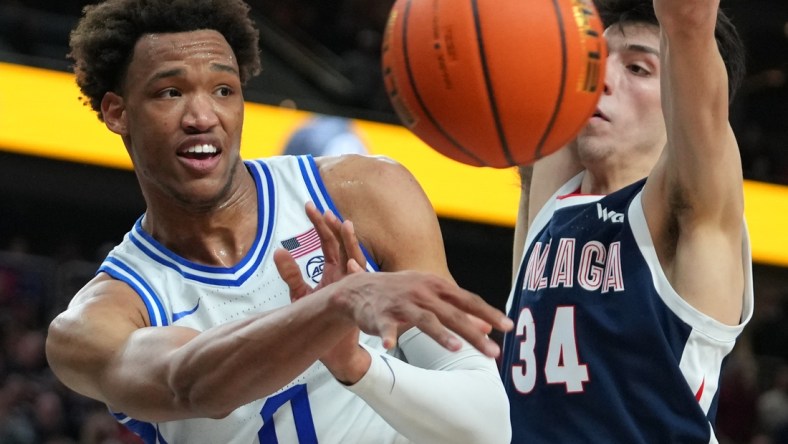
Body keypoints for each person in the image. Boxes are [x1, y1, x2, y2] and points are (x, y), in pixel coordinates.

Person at [44, 0, 513, 443]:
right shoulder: (99, 320)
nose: (203, 116)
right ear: (117, 112)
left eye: (223, 90)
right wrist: (329, 311)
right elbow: (187, 385)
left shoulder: (364, 194)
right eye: (171, 92)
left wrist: (355, 362)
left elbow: (487, 424)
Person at [499, 0, 753, 442]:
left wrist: (687, 33)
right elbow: (561, 25)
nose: (603, 80)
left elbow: (689, 22)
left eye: (637, 69)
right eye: (597, 60)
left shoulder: (690, 212)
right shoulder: (554, 203)